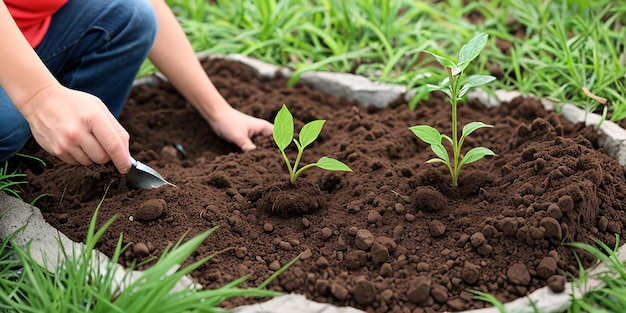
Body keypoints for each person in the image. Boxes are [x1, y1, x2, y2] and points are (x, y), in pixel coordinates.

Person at [0, 0, 274, 175]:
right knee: (9, 124)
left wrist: (219, 112)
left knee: (133, 15)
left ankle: (62, 155)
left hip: (30, 34)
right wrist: (38, 97)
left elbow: (150, 5)